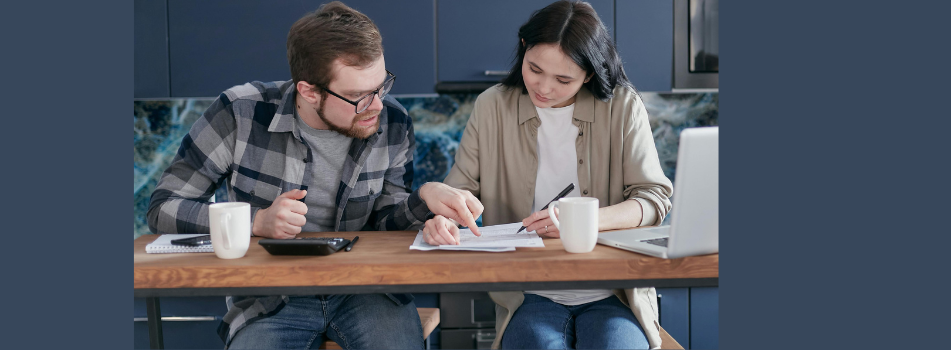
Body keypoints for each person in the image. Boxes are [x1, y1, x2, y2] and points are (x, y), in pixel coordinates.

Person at [146, 2, 482, 349]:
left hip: (367, 288)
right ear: (308, 91)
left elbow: (386, 222)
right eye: (358, 97)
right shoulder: (239, 113)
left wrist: (426, 195)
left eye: (381, 87)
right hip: (270, 296)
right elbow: (164, 208)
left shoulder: (393, 122)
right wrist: (256, 221)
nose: (378, 106)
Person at [420, 1, 673, 349]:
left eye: (563, 79)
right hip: (528, 292)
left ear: (590, 73)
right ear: (523, 48)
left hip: (613, 290)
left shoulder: (623, 107)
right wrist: (444, 217)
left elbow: (653, 199)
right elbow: (458, 190)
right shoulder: (492, 106)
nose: (544, 88)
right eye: (534, 68)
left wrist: (583, 222)